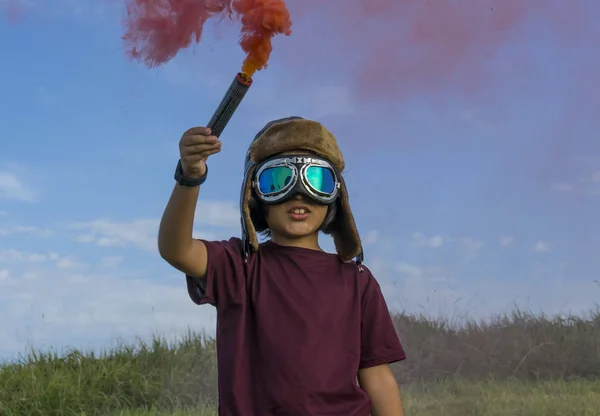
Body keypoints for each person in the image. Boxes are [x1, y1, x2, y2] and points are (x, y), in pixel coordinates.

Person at [158, 116, 407, 415]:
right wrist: (190, 176)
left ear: (335, 196)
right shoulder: (239, 265)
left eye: (316, 180)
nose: (299, 194)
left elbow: (377, 376)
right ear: (255, 196)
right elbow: (176, 249)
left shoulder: (358, 280)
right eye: (278, 180)